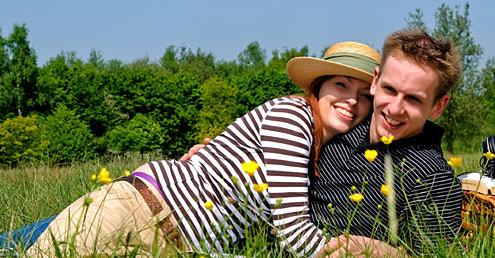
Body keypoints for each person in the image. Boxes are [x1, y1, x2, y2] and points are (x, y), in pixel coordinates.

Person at [24, 41, 382, 257]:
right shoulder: (293, 115)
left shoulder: (319, 150)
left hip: (172, 245)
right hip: (134, 216)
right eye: (341, 84)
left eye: (365, 96)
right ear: (318, 87)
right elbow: (291, 226)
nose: (352, 101)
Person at [312, 29, 464, 257]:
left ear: (438, 106)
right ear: (375, 81)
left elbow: (436, 253)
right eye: (389, 89)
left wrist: (387, 253)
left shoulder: (432, 176)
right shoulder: (344, 122)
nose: (394, 108)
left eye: (414, 99)